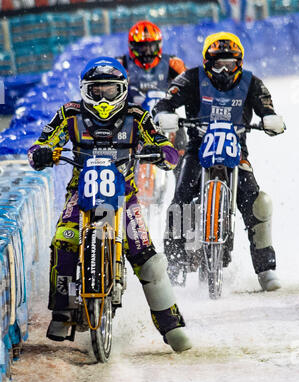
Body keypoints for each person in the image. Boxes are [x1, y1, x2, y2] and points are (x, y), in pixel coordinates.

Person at [27, 56, 192, 353]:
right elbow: (43, 142)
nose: (103, 97)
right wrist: (42, 153)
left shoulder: (137, 116)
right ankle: (62, 310)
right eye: (96, 90)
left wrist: (163, 153)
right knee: (64, 238)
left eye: (110, 90)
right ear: (84, 90)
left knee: (147, 256)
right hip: (80, 192)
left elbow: (163, 143)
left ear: (123, 90)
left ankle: (171, 323)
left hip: (124, 196)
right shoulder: (68, 114)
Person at [152, 31, 285, 291]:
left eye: (230, 63)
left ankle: (266, 268)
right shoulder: (190, 78)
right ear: (206, 62)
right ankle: (175, 265)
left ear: (240, 63)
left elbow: (268, 110)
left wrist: (271, 119)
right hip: (197, 150)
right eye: (218, 63)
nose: (224, 69)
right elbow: (165, 102)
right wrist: (165, 114)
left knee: (257, 203)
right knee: (179, 200)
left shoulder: (252, 82)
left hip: (237, 153)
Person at [116, 20, 187, 161]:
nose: (147, 52)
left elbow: (188, 87)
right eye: (142, 47)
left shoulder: (173, 63)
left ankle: (180, 171)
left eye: (151, 47)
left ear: (158, 45)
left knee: (182, 151)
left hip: (165, 116)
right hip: (132, 118)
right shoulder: (121, 64)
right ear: (132, 47)